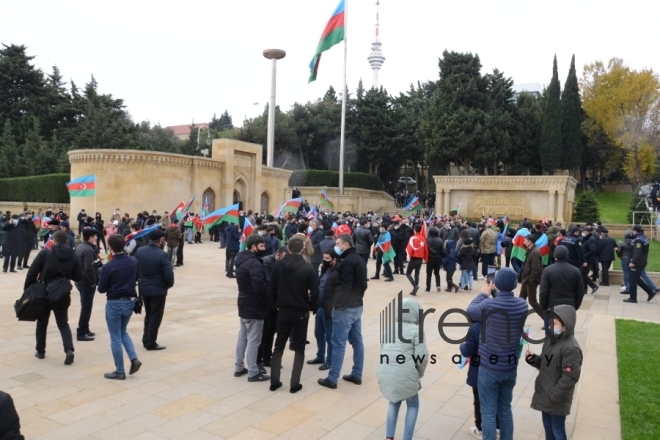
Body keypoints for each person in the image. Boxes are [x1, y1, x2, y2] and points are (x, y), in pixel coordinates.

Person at [466, 269, 529, 440]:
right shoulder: (523, 305)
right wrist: (496, 292)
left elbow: (471, 310)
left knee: (487, 412)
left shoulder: (489, 305)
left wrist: (484, 294)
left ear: (497, 284)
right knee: (505, 409)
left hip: (489, 367)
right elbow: (506, 303)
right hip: (509, 367)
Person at [268, 239, 319, 393]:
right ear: (302, 249)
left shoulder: (278, 264)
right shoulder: (308, 267)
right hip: (300, 311)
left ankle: (274, 381)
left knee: (279, 346)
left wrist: (274, 304)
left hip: (283, 309)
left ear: (288, 248)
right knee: (299, 348)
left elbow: (272, 287)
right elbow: (315, 291)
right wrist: (312, 307)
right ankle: (294, 383)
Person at [525, 305, 582, 440]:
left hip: (556, 398)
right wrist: (534, 359)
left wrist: (554, 395)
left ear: (565, 325)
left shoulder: (571, 348)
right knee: (548, 429)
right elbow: (546, 363)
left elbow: (570, 376)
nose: (551, 325)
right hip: (546, 394)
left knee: (557, 431)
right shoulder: (551, 341)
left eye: (555, 323)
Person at [26, 231, 83, 364]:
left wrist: (27, 290)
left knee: (42, 322)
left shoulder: (45, 253)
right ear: (67, 242)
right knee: (63, 323)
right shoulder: (73, 256)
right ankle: (69, 350)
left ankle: (40, 351)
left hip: (44, 293)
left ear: (54, 241)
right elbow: (78, 277)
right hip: (62, 294)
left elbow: (32, 272)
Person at [318, 234, 367, 389]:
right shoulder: (359, 259)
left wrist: (337, 304)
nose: (336, 246)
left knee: (338, 343)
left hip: (345, 308)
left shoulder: (347, 262)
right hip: (357, 305)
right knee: (357, 342)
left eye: (338, 244)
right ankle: (357, 374)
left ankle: (332, 378)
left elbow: (345, 286)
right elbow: (363, 284)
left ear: (346, 244)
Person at [377, 297, 428, 440]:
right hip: (407, 373)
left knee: (393, 401)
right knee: (413, 405)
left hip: (386, 372)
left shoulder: (389, 328)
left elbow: (382, 350)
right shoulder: (417, 331)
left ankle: (389, 437)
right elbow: (422, 356)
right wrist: (419, 373)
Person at [97, 234, 142, 380]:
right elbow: (137, 278)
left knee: (115, 337)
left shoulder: (109, 266)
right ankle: (134, 358)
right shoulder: (133, 261)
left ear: (110, 247)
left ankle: (120, 370)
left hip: (115, 302)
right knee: (122, 332)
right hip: (130, 301)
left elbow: (101, 289)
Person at [234, 234, 270, 381]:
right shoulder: (254, 263)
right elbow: (259, 288)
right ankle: (253, 372)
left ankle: (239, 366)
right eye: (261, 246)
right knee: (254, 340)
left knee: (243, 336)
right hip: (254, 305)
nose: (264, 249)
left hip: (244, 302)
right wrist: (266, 302)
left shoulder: (242, 259)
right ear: (253, 246)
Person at [135, 229, 175, 350]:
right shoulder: (162, 254)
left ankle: (146, 338)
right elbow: (169, 274)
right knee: (155, 316)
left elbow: (137, 269)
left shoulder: (140, 251)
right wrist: (168, 285)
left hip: (144, 288)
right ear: (160, 240)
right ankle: (151, 342)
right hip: (158, 289)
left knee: (148, 315)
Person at [308, 249, 340, 371]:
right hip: (319, 307)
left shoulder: (337, 272)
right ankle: (320, 356)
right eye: (324, 258)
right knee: (318, 334)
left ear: (334, 259)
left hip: (329, 309)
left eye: (327, 259)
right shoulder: (325, 270)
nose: (324, 261)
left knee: (329, 336)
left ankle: (329, 360)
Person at [74, 228, 100, 341]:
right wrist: (93, 282)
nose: (96, 238)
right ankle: (81, 332)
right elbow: (89, 268)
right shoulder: (88, 250)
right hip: (86, 282)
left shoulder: (81, 246)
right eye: (95, 236)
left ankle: (86, 328)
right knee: (86, 307)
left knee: (86, 306)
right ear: (90, 237)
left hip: (80, 280)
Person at [520, 233, 544, 319]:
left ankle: (547, 319)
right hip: (525, 280)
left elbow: (536, 269)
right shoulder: (530, 250)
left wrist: (531, 280)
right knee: (521, 300)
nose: (524, 241)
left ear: (530, 242)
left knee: (532, 301)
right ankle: (519, 319)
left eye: (525, 240)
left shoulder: (535, 252)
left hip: (530, 281)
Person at [626, 225, 650, 303]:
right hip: (642, 261)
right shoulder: (643, 237)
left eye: (633, 231)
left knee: (632, 279)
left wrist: (633, 262)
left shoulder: (638, 240)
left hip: (637, 262)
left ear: (635, 231)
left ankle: (633, 298)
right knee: (636, 278)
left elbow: (637, 252)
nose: (632, 232)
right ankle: (650, 291)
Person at [405, 224, 428, 296]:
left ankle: (415, 286)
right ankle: (415, 289)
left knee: (408, 273)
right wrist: (425, 258)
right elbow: (426, 250)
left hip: (414, 258)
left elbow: (410, 247)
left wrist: (408, 255)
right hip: (420, 259)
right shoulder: (423, 238)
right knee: (417, 274)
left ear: (414, 229)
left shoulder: (413, 238)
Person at [580, 227, 599, 295]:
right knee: (583, 274)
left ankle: (594, 286)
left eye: (584, 231)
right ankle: (585, 290)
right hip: (585, 259)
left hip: (589, 260)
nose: (583, 233)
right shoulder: (586, 238)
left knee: (583, 274)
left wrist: (584, 256)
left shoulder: (591, 239)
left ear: (588, 232)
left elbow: (592, 250)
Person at [425, 227, 444, 292]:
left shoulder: (427, 240)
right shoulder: (440, 240)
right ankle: (438, 285)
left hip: (430, 258)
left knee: (429, 274)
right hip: (437, 258)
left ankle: (428, 288)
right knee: (437, 273)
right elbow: (442, 251)